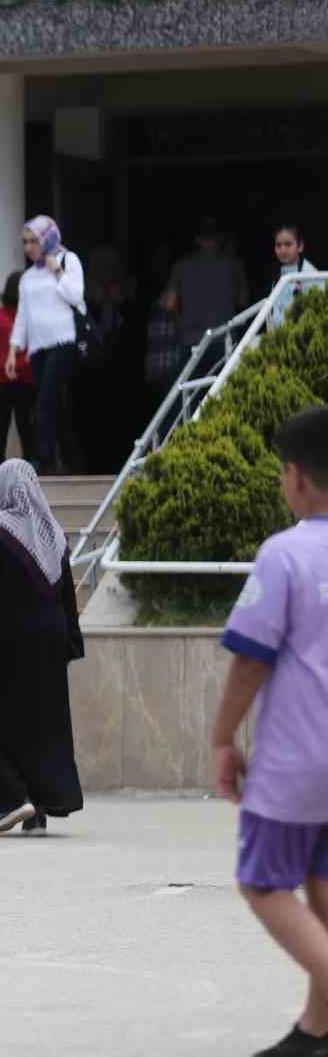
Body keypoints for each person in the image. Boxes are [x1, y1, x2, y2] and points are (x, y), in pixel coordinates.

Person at [211, 406, 328, 1057]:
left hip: (301, 761)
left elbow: (252, 656)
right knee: (324, 883)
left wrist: (223, 738)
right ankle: (317, 1031)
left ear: (295, 478)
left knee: (263, 882)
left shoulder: (285, 554)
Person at [0, 459, 84, 835]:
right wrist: (72, 641)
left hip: (2, 645)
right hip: (49, 644)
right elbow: (66, 598)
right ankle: (36, 809)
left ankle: (11, 797)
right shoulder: (54, 534)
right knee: (40, 727)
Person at [9, 215, 86, 476]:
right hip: (37, 349)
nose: (29, 247)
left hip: (64, 342)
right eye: (25, 242)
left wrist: (56, 270)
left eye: (34, 241)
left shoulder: (67, 260)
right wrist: (12, 350)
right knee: (57, 405)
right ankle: (71, 458)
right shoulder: (27, 277)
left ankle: (42, 459)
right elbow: (22, 315)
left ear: (48, 239)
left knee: (44, 402)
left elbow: (76, 295)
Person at [164, 214, 249, 364]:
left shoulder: (181, 266)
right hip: (224, 339)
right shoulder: (234, 265)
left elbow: (169, 304)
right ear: (221, 239)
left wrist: (181, 325)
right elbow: (242, 301)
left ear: (197, 239)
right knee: (221, 386)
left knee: (191, 386)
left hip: (191, 340)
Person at [0, 270, 37, 466]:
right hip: (2, 379)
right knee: (1, 422)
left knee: (25, 421)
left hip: (26, 378)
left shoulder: (32, 314)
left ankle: (31, 459)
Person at [268, 224, 322, 331]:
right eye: (278, 245)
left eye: (288, 244)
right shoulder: (279, 276)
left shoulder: (310, 274)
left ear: (300, 246)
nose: (282, 250)